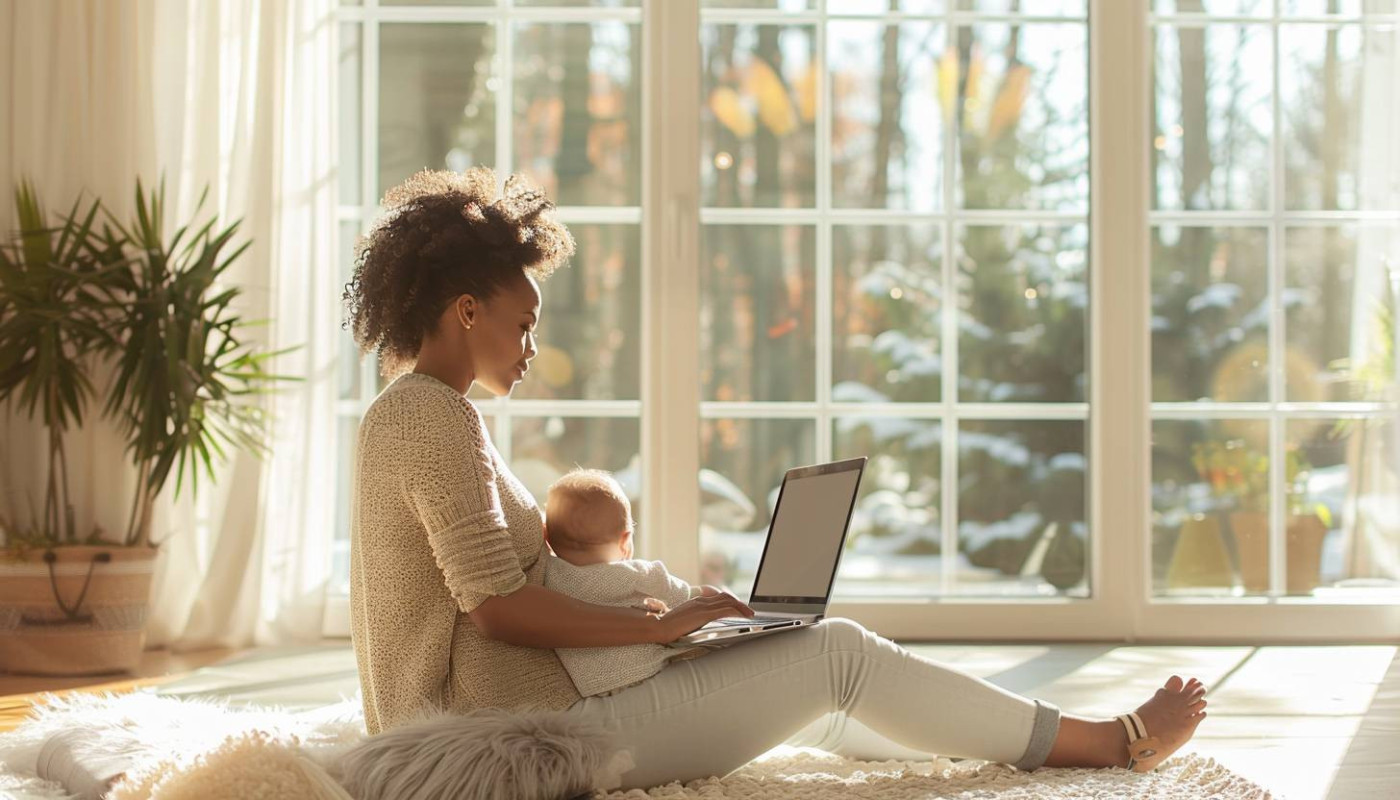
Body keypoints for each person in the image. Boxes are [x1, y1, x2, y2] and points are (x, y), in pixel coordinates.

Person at [344, 167, 1209, 791]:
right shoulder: (430, 414)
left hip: (525, 700)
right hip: (511, 730)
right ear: (466, 310)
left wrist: (668, 621)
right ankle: (1107, 744)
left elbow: (507, 587)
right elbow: (495, 605)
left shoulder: (418, 409)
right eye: (522, 323)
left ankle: (1030, 749)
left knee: (814, 688)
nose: (531, 347)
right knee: (836, 656)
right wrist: (655, 630)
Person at [541, 468, 722, 699]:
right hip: (647, 673)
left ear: (546, 536)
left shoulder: (549, 576)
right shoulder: (639, 574)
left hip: (594, 688)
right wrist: (711, 592)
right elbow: (688, 599)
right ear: (625, 540)